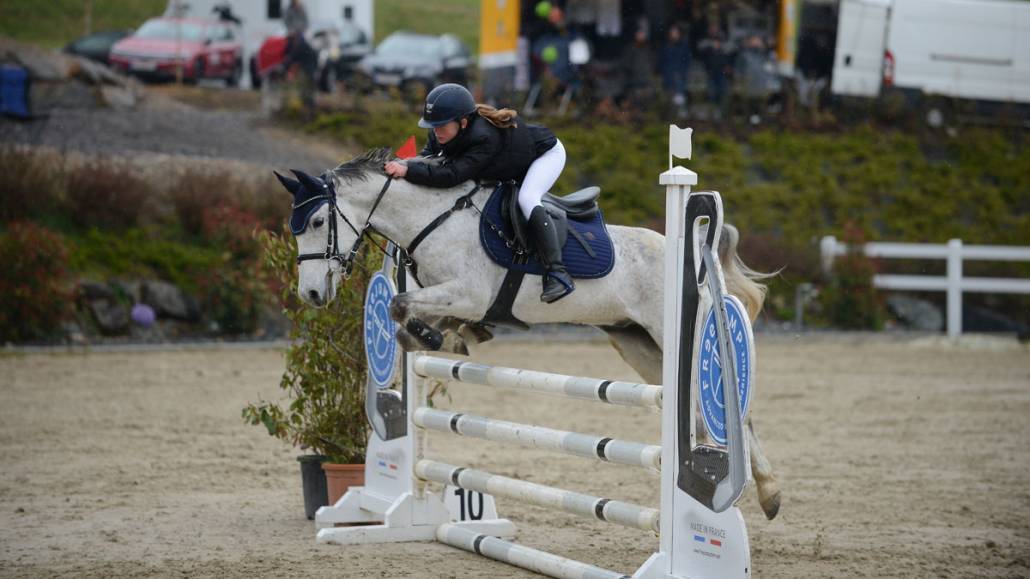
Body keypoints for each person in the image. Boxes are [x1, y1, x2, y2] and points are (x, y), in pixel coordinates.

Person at [384, 84, 575, 303]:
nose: (436, 132)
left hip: (545, 155)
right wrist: (403, 163)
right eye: (433, 126)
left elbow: (452, 175)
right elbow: (429, 158)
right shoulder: (442, 130)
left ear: (463, 122)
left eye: (441, 126)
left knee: (527, 198)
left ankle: (558, 273)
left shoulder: (484, 137)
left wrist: (408, 170)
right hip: (509, 161)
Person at [659, 24, 691, 112]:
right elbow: (662, 61)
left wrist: (682, 71)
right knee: (670, 95)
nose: (674, 35)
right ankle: (672, 112)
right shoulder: (666, 46)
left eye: (675, 33)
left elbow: (687, 60)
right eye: (672, 33)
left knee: (680, 94)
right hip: (668, 74)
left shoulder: (683, 46)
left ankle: (682, 111)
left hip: (680, 74)